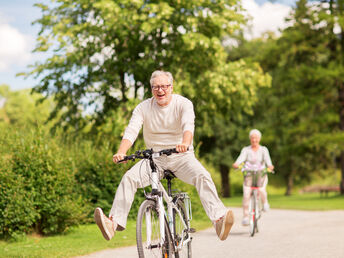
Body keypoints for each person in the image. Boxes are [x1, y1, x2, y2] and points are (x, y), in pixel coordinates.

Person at [94, 70, 234, 241]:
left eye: (163, 86)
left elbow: (188, 126)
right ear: (151, 89)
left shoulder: (183, 104)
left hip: (181, 157)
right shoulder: (143, 107)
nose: (160, 90)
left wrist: (185, 143)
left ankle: (219, 220)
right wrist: (122, 151)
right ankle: (112, 224)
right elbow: (131, 130)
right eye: (155, 87)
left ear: (171, 87)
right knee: (129, 178)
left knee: (202, 176)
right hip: (154, 159)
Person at [232, 129, 274, 226]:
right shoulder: (246, 150)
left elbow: (268, 162)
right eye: (252, 138)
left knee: (261, 190)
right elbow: (240, 159)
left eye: (256, 138)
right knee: (246, 194)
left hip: (260, 174)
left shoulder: (264, 149)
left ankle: (265, 203)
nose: (254, 140)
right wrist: (236, 164)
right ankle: (246, 217)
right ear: (250, 139)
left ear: (259, 139)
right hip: (249, 174)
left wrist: (270, 166)